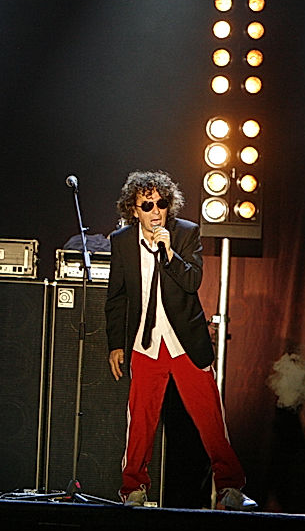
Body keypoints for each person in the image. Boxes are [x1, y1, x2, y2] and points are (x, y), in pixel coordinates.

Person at [104, 169, 257, 510]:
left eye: (161, 204)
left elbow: (192, 282)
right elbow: (116, 297)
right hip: (145, 342)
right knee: (141, 420)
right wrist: (115, 344)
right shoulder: (122, 241)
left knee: (209, 417)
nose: (155, 211)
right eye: (147, 205)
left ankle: (231, 486)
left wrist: (169, 253)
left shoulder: (185, 233)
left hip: (184, 340)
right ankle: (133, 488)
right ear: (134, 210)